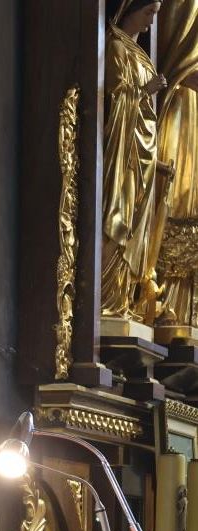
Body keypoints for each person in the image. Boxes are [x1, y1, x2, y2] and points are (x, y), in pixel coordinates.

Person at [101, 0, 166, 320]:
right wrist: (144, 90)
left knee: (135, 224)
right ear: (130, 7)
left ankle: (122, 300)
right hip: (122, 156)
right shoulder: (115, 46)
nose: (151, 22)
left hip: (142, 155)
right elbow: (115, 99)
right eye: (148, 13)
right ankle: (105, 300)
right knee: (119, 220)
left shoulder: (138, 52)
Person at [155, 0, 198, 327]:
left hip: (189, 107)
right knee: (174, 204)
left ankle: (185, 317)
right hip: (178, 105)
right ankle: (161, 305)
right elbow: (176, 51)